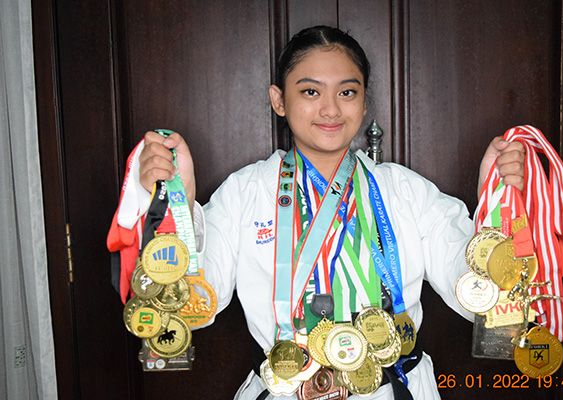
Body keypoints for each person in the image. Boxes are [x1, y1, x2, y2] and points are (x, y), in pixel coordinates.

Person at [137, 26, 524, 400]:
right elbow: (195, 305)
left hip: (392, 389)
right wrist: (177, 205)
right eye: (310, 91)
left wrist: (496, 208)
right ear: (279, 100)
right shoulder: (246, 191)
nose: (331, 109)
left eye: (347, 92)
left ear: (364, 102)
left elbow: (476, 294)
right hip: (286, 390)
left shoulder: (405, 190)